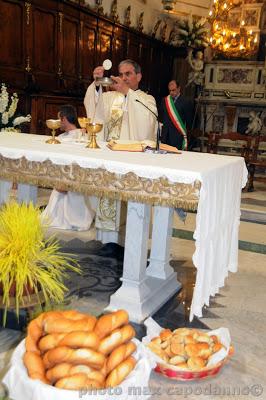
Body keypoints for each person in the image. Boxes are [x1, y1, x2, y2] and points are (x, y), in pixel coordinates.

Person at [84, 60, 157, 256]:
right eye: (121, 74)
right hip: (110, 161)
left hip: (133, 164)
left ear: (138, 76)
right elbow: (94, 111)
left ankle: (130, 247)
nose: (123, 78)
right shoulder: (109, 98)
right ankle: (107, 244)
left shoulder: (146, 99)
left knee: (131, 209)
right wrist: (97, 83)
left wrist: (127, 93)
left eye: (128, 74)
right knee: (108, 202)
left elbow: (148, 123)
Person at [42, 105, 96, 231]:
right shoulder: (83, 135)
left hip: (70, 180)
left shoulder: (65, 139)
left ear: (64, 119)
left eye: (58, 118)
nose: (58, 122)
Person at [160, 80, 192, 150]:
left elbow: (189, 120)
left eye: (173, 90)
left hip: (178, 137)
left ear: (179, 88)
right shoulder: (165, 100)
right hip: (165, 136)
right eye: (170, 90)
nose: (171, 93)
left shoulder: (186, 102)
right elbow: (161, 117)